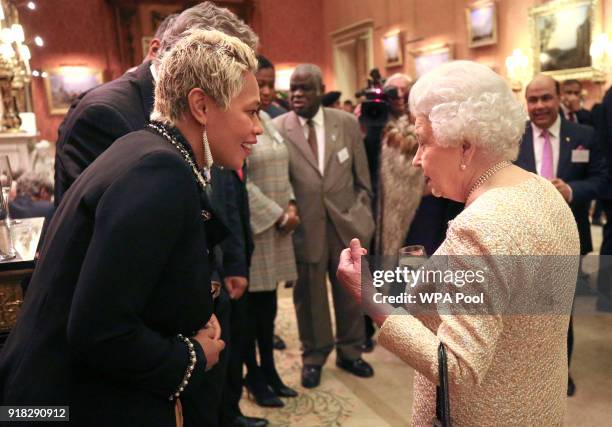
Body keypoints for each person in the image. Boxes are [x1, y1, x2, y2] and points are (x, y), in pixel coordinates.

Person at [0, 29, 260, 427]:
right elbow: (98, 329)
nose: (258, 128)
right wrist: (191, 357)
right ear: (201, 105)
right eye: (252, 111)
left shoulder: (147, 148)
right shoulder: (160, 171)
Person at [337, 61, 580, 425]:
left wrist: (369, 298)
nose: (417, 160)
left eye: (423, 142)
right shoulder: (543, 191)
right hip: (538, 406)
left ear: (465, 147)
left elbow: (456, 366)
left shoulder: (480, 226)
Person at [273, 64, 375, 389]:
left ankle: (350, 351)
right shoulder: (278, 128)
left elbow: (363, 180)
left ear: (320, 90)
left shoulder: (345, 123)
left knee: (350, 292)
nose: (297, 95)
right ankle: (314, 356)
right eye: (293, 89)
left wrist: (363, 218)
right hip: (305, 227)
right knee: (310, 296)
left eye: (305, 89)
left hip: (346, 224)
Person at [515, 74, 607, 396]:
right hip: (522, 240)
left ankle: (558, 373)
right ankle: (526, 370)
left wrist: (570, 190)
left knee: (561, 313)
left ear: (559, 99)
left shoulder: (584, 136)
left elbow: (602, 180)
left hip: (568, 238)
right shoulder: (514, 138)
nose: (539, 106)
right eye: (532, 100)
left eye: (545, 98)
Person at [243, 71, 300, 405]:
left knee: (269, 312)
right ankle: (255, 375)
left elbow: (283, 172)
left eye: (269, 84)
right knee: (253, 313)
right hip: (258, 229)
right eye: (260, 84)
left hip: (279, 230)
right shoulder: (242, 123)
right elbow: (240, 181)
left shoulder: (267, 119)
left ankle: (270, 371)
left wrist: (291, 203)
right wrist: (279, 215)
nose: (266, 90)